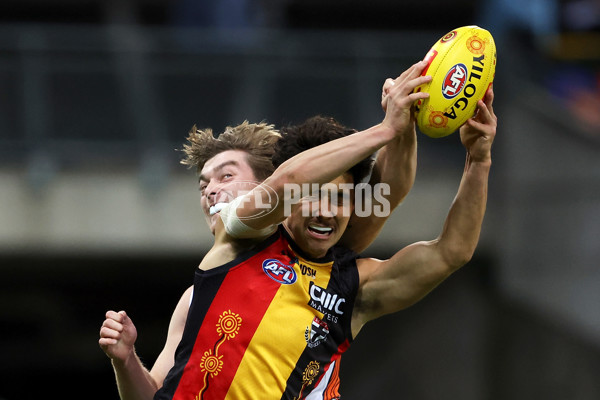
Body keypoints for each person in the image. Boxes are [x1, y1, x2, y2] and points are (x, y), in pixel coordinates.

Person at [101, 61, 496, 399]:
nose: (326, 211)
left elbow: (450, 250)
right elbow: (289, 181)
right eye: (313, 196)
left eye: (339, 199)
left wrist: (477, 159)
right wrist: (126, 360)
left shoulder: (353, 288)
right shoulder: (238, 237)